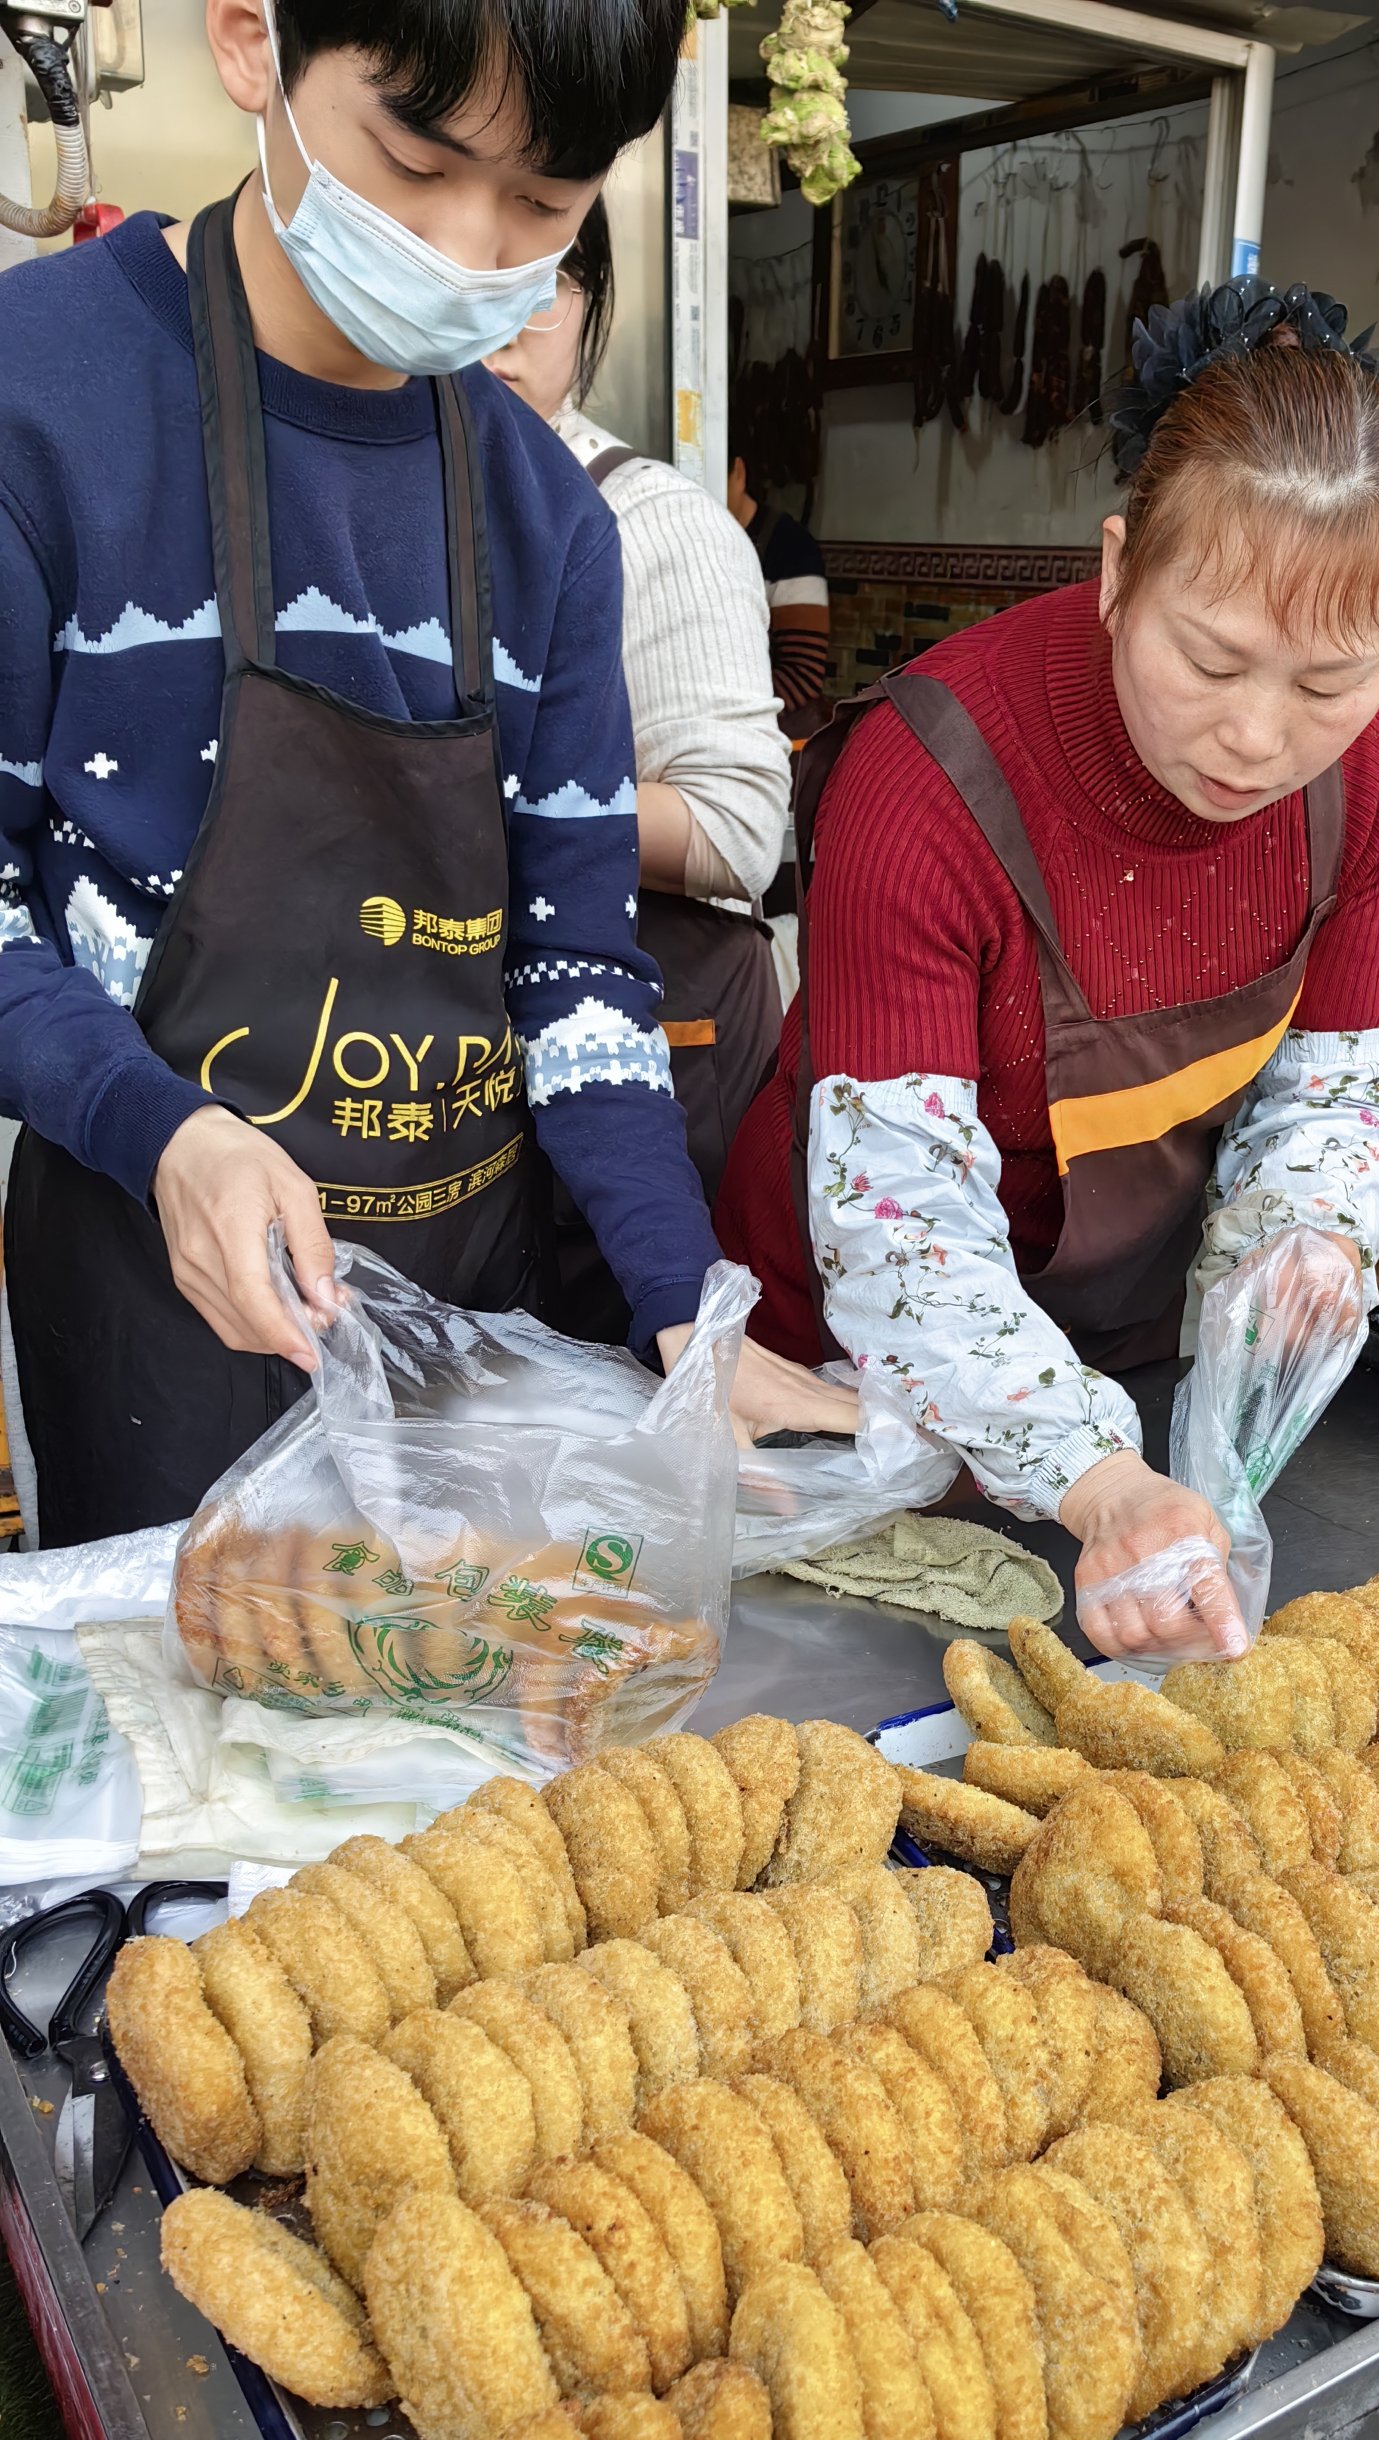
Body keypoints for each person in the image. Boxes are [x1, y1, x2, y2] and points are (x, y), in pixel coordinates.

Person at [0, 0, 850, 1546]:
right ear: (253, 43)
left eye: (545, 200)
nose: (471, 250)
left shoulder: (548, 522)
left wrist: (683, 1312)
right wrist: (160, 1127)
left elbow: (577, 963)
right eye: (417, 161)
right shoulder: (38, 400)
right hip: (153, 1290)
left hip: (468, 1306)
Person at [716, 279, 1379, 1660]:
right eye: (1209, 658)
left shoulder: (1364, 779)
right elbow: (900, 1219)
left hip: (1119, 1363)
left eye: (1329, 682)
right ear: (1116, 571)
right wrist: (1100, 1480)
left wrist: (1310, 1243)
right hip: (846, 1388)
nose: (1256, 737)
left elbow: (1331, 1083)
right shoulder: (927, 778)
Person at [486, 199, 789, 1330]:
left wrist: (484, 802)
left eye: (550, 281)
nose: (507, 322)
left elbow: (738, 830)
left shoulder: (651, 523)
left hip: (659, 1053)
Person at [726, 444, 830, 736]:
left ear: (738, 473)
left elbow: (803, 675)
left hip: (772, 738)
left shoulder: (790, 549)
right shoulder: (690, 543)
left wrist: (718, 710)